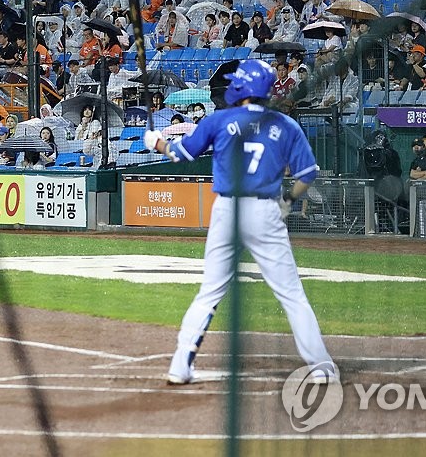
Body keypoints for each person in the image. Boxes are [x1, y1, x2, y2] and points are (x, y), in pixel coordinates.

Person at [143, 58, 337, 386]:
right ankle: (321, 367)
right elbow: (308, 174)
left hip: (227, 210)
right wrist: (288, 201)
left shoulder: (219, 120)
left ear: (241, 87)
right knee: (291, 294)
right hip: (265, 211)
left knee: (210, 291)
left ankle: (179, 365)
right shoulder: (285, 124)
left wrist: (156, 142)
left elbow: (181, 154)